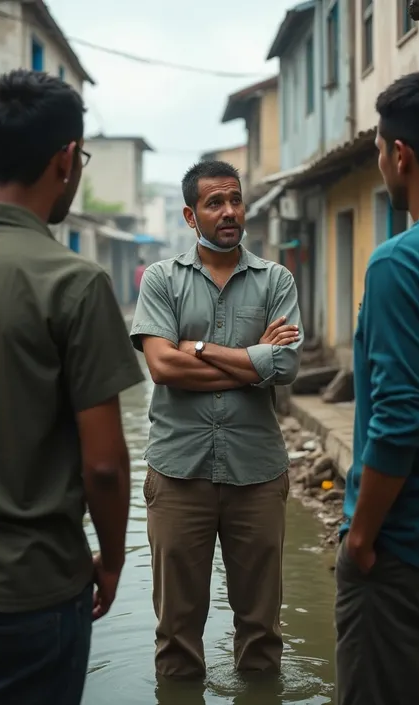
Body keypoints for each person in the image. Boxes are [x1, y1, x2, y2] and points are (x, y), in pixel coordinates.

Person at [0, 69, 144, 704]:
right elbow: (104, 464)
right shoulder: (73, 283)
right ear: (65, 161)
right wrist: (110, 559)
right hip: (33, 591)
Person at [131, 159, 304, 679]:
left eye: (234, 200)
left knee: (262, 629)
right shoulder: (162, 279)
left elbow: (287, 366)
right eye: (214, 203)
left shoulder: (276, 279)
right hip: (178, 473)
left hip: (258, 472)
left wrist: (201, 348)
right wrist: (254, 363)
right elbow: (162, 367)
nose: (229, 212)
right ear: (190, 214)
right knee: (177, 631)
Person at [336, 67, 419, 705]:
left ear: (400, 155)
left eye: (380, 148)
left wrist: (361, 533)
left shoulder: (401, 261)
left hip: (407, 554)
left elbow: (400, 417)